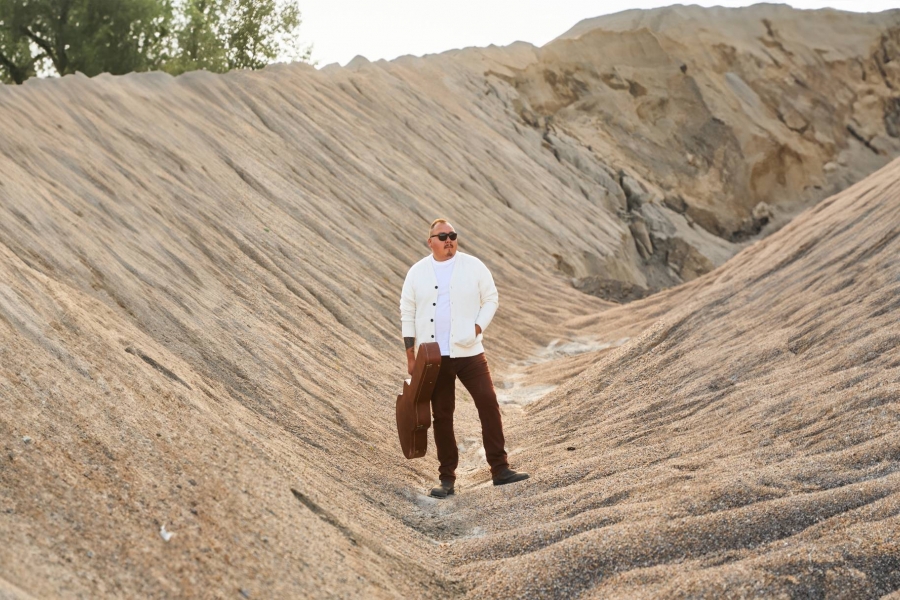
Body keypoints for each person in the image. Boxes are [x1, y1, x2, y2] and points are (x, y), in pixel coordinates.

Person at [399, 218, 529, 498]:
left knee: (488, 402)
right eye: (442, 236)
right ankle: (447, 479)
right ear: (430, 241)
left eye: (453, 235)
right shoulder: (417, 272)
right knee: (442, 416)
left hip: (470, 352)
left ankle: (500, 469)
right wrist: (410, 354)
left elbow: (491, 298)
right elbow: (407, 312)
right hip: (433, 357)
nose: (449, 240)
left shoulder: (474, 266)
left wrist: (478, 327)